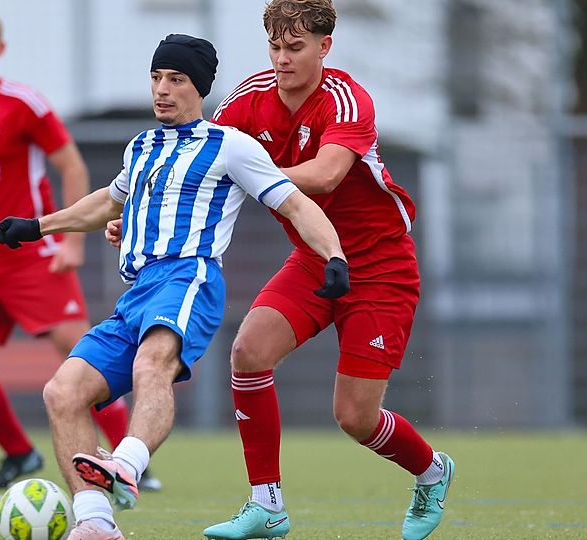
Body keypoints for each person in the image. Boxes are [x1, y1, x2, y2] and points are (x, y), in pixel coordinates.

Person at [0, 33, 350, 540]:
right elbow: (109, 201)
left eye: (176, 79)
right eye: (156, 77)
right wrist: (38, 226)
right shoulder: (141, 146)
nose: (162, 89)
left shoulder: (231, 146)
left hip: (188, 278)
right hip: (137, 292)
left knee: (151, 365)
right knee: (63, 392)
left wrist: (333, 254)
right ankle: (95, 522)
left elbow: (294, 203)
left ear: (199, 88)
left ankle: (127, 465)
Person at [194, 1, 455, 539]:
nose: (282, 59)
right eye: (274, 47)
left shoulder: (346, 98)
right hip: (314, 259)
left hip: (380, 267)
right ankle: (267, 505)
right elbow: (199, 166)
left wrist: (252, 172)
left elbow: (327, 174)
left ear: (324, 46)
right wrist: (134, 217)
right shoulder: (246, 100)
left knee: (355, 417)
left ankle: (432, 471)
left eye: (295, 47)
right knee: (248, 352)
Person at [0, 9, 159, 491]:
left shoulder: (24, 104)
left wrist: (70, 243)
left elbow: (73, 167)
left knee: (83, 352)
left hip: (32, 254)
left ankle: (131, 462)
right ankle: (18, 453)